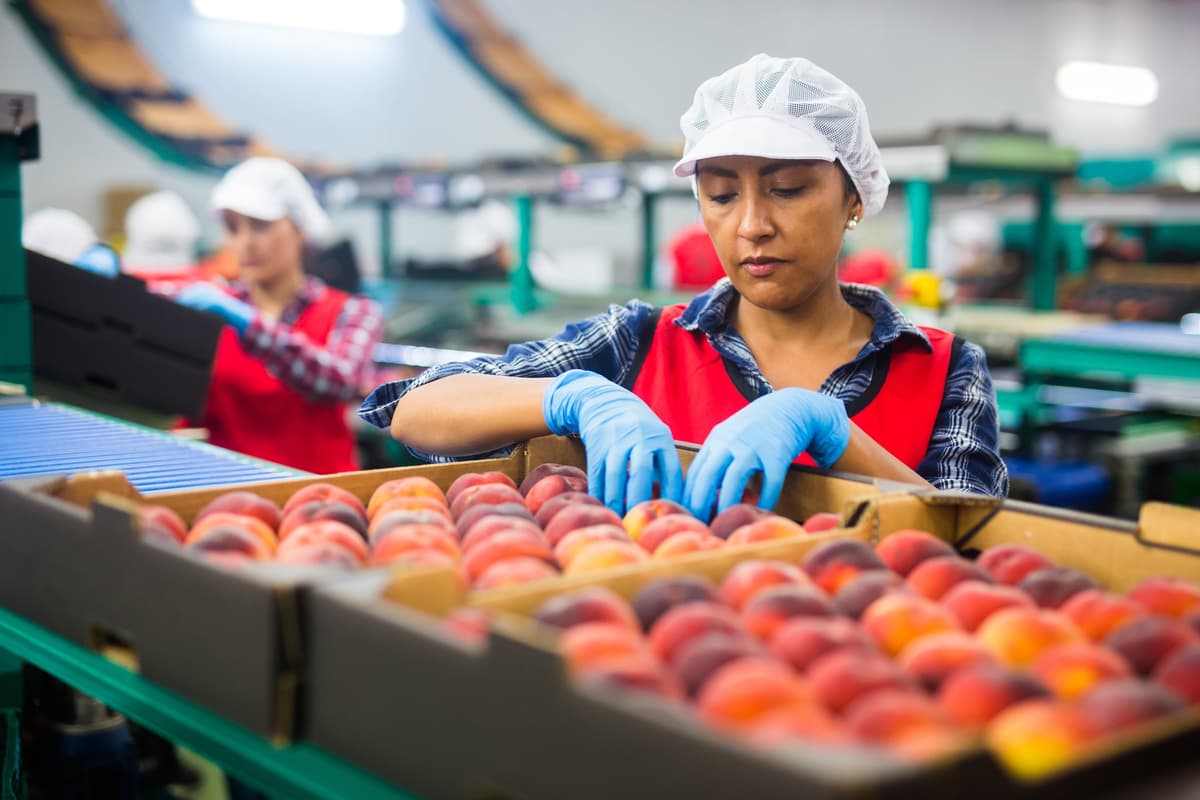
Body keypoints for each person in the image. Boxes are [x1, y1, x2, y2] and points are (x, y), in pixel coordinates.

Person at [359, 54, 1007, 518]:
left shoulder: (943, 369)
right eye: (721, 196)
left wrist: (835, 436)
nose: (752, 225)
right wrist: (571, 396)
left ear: (854, 198)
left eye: (787, 189)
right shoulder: (640, 341)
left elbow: (974, 537)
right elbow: (414, 410)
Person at [175, 157, 384, 474]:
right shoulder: (210, 306)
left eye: (260, 226)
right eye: (233, 228)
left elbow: (339, 381)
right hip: (222, 489)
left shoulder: (353, 311)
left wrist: (250, 325)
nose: (245, 243)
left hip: (317, 494)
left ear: (300, 229)